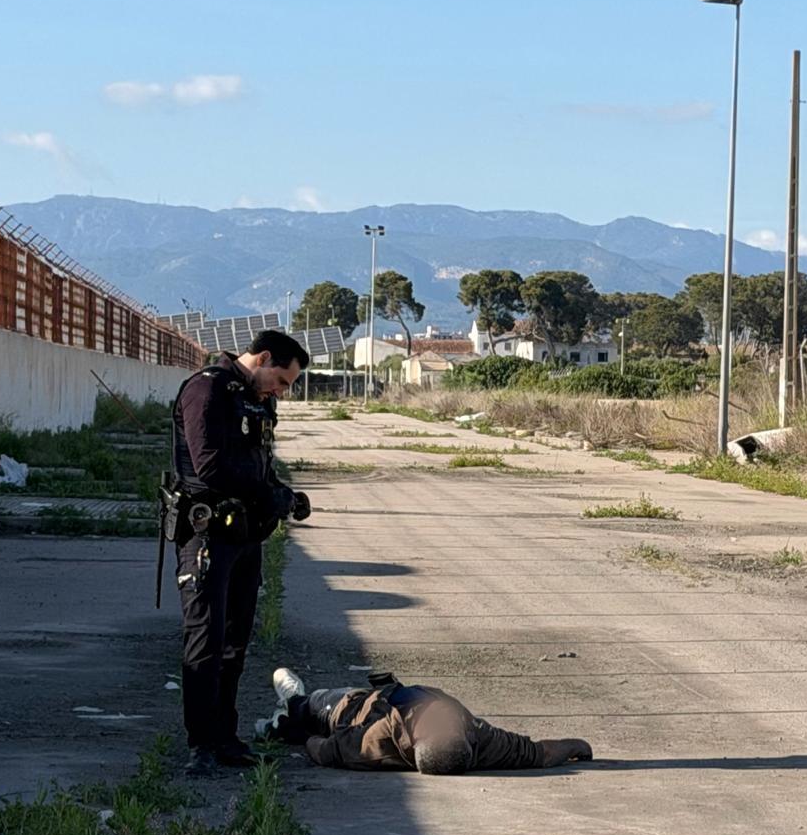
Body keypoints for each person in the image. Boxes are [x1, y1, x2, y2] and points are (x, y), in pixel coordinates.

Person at [170, 329, 312, 776]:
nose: (281, 392)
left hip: (245, 535)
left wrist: (281, 493)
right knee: (205, 642)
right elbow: (209, 465)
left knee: (235, 643)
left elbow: (258, 461)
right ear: (264, 357)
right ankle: (202, 744)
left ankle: (225, 737)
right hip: (207, 536)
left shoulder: (254, 399)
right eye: (282, 380)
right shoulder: (206, 389)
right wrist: (263, 493)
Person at [260, 667, 594, 773]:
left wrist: (303, 738)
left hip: (347, 710)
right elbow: (537, 753)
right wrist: (576, 745)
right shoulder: (481, 740)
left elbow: (326, 751)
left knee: (307, 708)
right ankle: (285, 717)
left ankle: (290, 705)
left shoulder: (373, 741)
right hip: (391, 691)